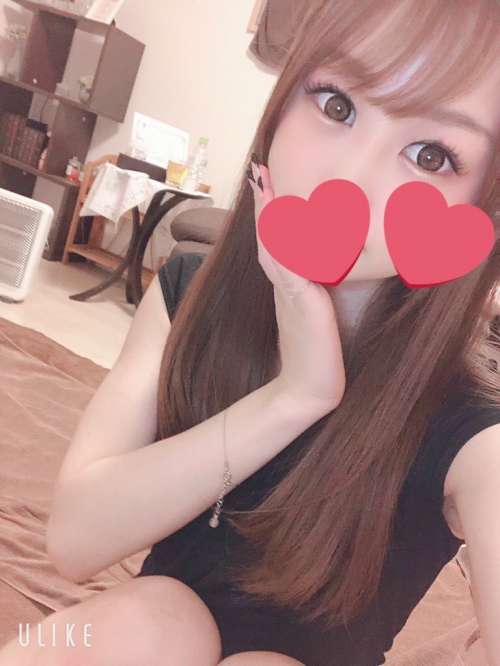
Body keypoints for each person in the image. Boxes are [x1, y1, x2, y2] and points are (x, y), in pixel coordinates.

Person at [1, 0, 499, 664]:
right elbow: (75, 540)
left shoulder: (474, 432)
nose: (351, 177)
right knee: (157, 617)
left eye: (431, 155)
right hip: (137, 637)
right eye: (338, 104)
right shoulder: (189, 292)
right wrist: (295, 396)